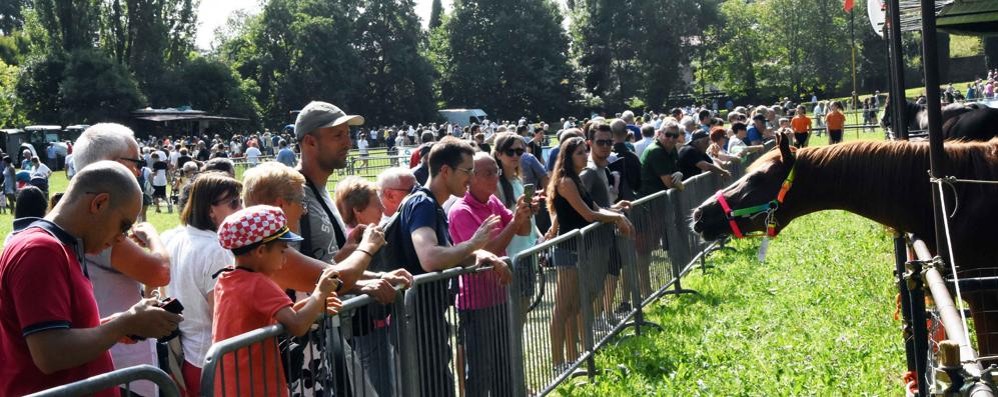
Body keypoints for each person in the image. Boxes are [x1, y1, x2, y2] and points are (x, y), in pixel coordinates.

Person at [0, 161, 182, 396]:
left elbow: (57, 332)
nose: (121, 238)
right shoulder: (40, 249)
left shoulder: (59, 246)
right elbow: (50, 353)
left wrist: (116, 324)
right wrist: (124, 324)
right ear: (99, 203)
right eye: (124, 225)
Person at [395, 136, 512, 397]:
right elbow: (430, 257)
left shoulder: (430, 205)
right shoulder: (423, 204)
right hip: (418, 321)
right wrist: (473, 244)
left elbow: (448, 254)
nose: (470, 179)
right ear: (445, 171)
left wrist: (483, 256)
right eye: (466, 171)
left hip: (427, 316)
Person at [71, 124, 173, 396]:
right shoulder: (97, 223)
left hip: (114, 360)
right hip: (121, 368)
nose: (140, 170)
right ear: (114, 165)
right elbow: (159, 272)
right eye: (136, 162)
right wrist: (152, 235)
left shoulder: (82, 216)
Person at [211, 205, 343, 397]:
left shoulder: (227, 279)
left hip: (229, 384)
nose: (285, 258)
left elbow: (259, 322)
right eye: (282, 250)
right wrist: (319, 293)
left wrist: (311, 307)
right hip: (258, 386)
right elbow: (297, 325)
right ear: (261, 251)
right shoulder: (259, 283)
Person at [546, 136, 632, 373]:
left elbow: (596, 208)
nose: (586, 155)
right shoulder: (566, 181)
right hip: (568, 250)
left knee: (574, 307)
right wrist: (617, 218)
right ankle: (557, 363)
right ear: (568, 157)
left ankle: (573, 360)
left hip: (580, 249)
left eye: (585, 151)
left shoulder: (577, 180)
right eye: (580, 153)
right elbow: (587, 215)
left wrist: (616, 209)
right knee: (562, 308)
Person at [448, 152, 532, 396]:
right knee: (480, 371)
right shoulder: (461, 211)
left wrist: (524, 214)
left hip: (499, 297)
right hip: (476, 303)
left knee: (504, 366)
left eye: (495, 170)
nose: (495, 177)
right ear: (471, 178)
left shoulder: (492, 202)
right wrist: (515, 223)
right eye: (487, 173)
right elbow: (485, 255)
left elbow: (523, 230)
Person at [162, 172, 243, 395]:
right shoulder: (216, 250)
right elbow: (222, 316)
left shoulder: (173, 237)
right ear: (210, 210)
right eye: (234, 203)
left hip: (187, 356)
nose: (241, 209)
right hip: (214, 361)